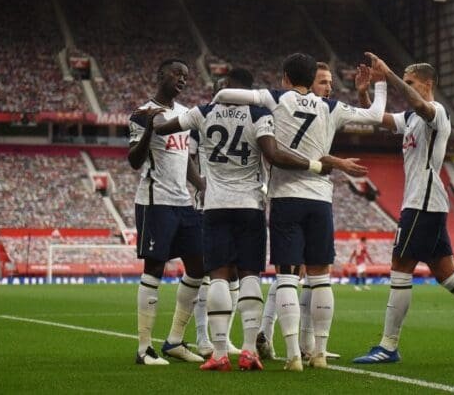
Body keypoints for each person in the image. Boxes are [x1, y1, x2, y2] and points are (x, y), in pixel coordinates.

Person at [149, 68, 366, 371]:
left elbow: (162, 128)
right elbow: (273, 154)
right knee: (250, 276)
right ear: (249, 90)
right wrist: (317, 164)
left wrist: (156, 116)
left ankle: (220, 352)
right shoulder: (260, 114)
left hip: (214, 205)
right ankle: (249, 350)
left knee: (219, 277)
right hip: (251, 204)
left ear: (226, 87)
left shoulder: (203, 111)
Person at [212, 52, 387, 371]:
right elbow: (376, 114)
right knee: (321, 278)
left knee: (286, 277)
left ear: (286, 78)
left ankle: (293, 355)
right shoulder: (331, 107)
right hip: (320, 198)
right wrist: (381, 83)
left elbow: (225, 94)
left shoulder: (276, 98)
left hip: (286, 197)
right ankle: (319, 352)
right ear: (311, 80)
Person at [353, 53, 454, 366]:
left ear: (426, 85)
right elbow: (378, 119)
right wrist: (364, 93)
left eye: (411, 82)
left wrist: (389, 76)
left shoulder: (435, 112)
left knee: (400, 265)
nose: (407, 86)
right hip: (426, 201)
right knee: (446, 273)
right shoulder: (411, 119)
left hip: (422, 203)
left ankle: (388, 345)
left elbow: (420, 105)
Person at [259, 60, 342, 362]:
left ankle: (300, 344)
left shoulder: (324, 111)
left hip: (301, 195)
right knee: (297, 273)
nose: (328, 88)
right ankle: (277, 335)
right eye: (322, 83)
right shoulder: (311, 107)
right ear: (310, 82)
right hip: (305, 192)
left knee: (297, 273)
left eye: (331, 83)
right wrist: (333, 163)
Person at [128, 59, 207, 366]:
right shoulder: (141, 114)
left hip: (183, 202)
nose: (182, 80)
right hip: (154, 201)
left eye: (186, 76)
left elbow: (184, 155)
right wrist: (149, 129)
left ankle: (173, 340)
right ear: (160, 75)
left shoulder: (186, 114)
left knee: (198, 267)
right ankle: (143, 348)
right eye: (177, 74)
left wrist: (199, 182)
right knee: (154, 269)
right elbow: (134, 161)